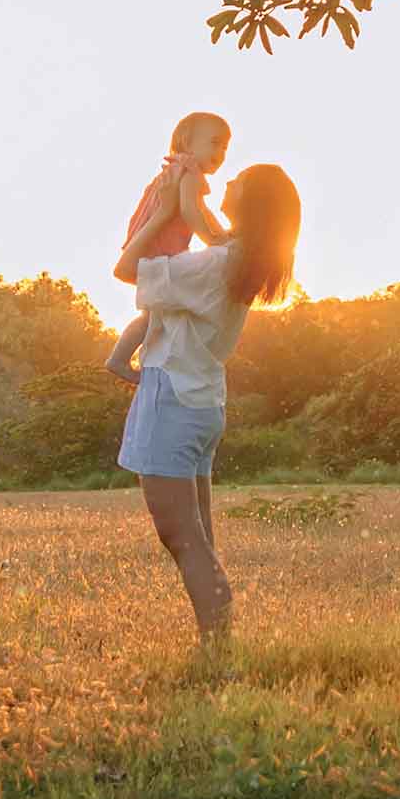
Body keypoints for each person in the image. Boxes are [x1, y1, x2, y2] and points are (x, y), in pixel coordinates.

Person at [108, 162, 301, 648]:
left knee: (182, 537)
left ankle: (217, 648)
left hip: (173, 400)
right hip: (201, 401)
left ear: (251, 203)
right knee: (200, 534)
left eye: (238, 182)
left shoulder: (217, 263)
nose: (227, 184)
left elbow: (126, 268)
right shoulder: (236, 259)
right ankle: (220, 640)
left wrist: (163, 212)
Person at [103, 113, 233, 379]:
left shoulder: (178, 170)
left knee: (153, 314)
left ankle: (132, 359)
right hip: (160, 246)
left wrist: (221, 234)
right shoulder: (188, 173)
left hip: (150, 242)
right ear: (187, 142)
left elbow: (202, 210)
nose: (220, 152)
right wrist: (213, 240)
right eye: (215, 142)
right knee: (152, 316)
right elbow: (190, 211)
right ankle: (118, 360)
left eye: (225, 147)